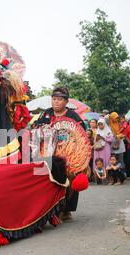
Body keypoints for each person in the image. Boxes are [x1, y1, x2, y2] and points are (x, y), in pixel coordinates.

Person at [33, 87, 86, 222]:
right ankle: (50, 209)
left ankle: (66, 209)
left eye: (59, 99)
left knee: (68, 180)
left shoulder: (73, 116)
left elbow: (82, 134)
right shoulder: (46, 114)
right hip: (48, 153)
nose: (56, 102)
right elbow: (36, 127)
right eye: (54, 99)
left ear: (66, 102)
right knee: (48, 180)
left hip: (69, 154)